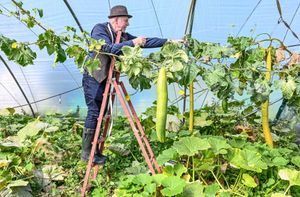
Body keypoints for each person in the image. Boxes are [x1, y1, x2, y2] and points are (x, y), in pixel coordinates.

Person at [81, 5, 170, 164]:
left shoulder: (120, 35)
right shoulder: (99, 30)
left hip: (106, 79)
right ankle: (87, 153)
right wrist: (133, 42)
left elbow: (145, 42)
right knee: (94, 112)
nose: (128, 23)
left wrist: (168, 41)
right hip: (93, 77)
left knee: (101, 114)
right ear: (115, 20)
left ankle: (96, 151)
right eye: (126, 20)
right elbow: (107, 49)